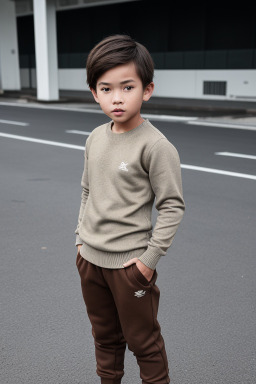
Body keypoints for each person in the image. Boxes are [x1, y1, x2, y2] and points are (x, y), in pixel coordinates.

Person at [75, 34, 185, 384]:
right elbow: (87, 190)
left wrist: (147, 263)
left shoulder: (156, 146)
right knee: (104, 338)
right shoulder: (95, 137)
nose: (117, 98)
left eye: (127, 87)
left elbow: (171, 206)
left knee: (144, 343)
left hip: (129, 267)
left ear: (147, 90)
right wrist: (80, 239)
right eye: (106, 89)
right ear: (94, 92)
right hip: (90, 260)